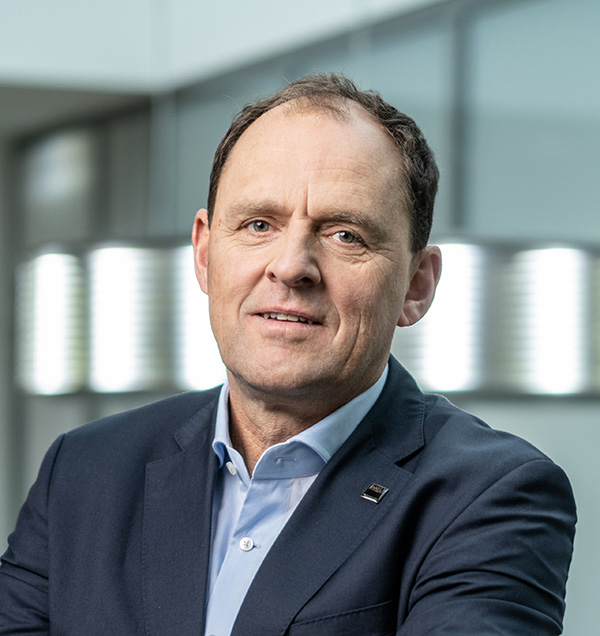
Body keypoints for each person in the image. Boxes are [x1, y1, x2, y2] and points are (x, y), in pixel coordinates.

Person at [0, 73, 576, 635]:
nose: (291, 266)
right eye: (258, 224)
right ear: (204, 254)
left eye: (345, 234)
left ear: (416, 285)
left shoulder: (492, 494)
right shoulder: (85, 470)